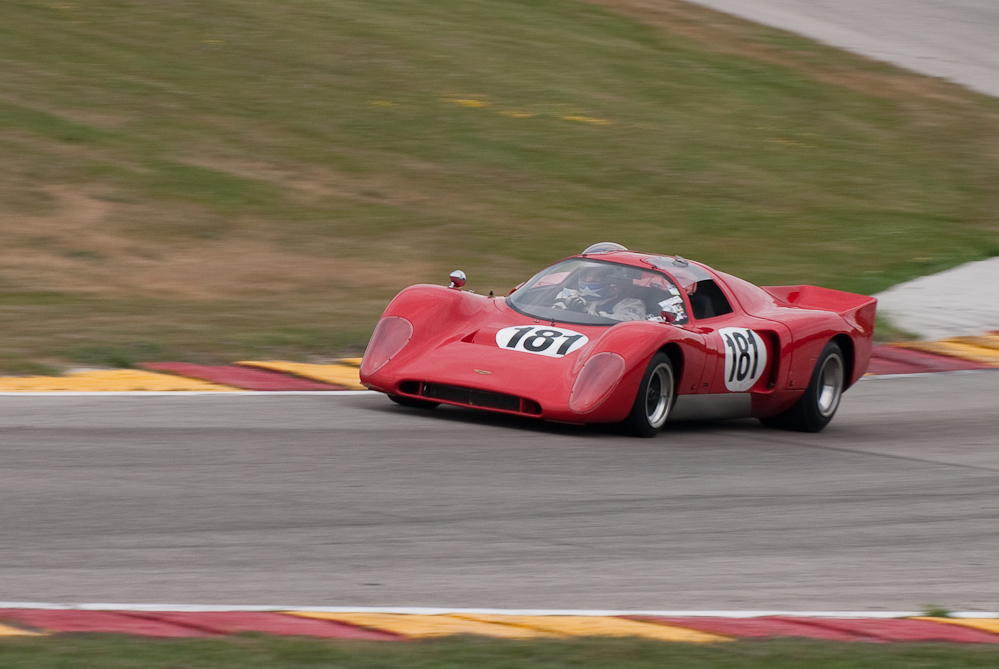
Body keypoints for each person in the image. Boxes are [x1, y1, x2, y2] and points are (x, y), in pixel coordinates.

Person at [553, 264, 646, 321]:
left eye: (598, 276)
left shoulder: (632, 304)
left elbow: (625, 325)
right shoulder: (569, 295)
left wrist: (587, 314)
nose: (589, 279)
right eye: (587, 275)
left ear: (619, 282)